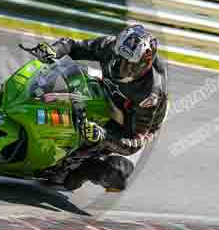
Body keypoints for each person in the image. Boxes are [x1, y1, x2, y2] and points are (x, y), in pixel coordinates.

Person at [32, 25, 168, 192]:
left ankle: (70, 170)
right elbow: (73, 45)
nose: (119, 67)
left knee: (91, 138)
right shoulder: (109, 45)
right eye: (118, 58)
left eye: (128, 65)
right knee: (70, 80)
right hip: (107, 90)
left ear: (142, 65)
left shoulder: (149, 95)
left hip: (129, 119)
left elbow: (135, 141)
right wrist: (53, 50)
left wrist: (104, 136)